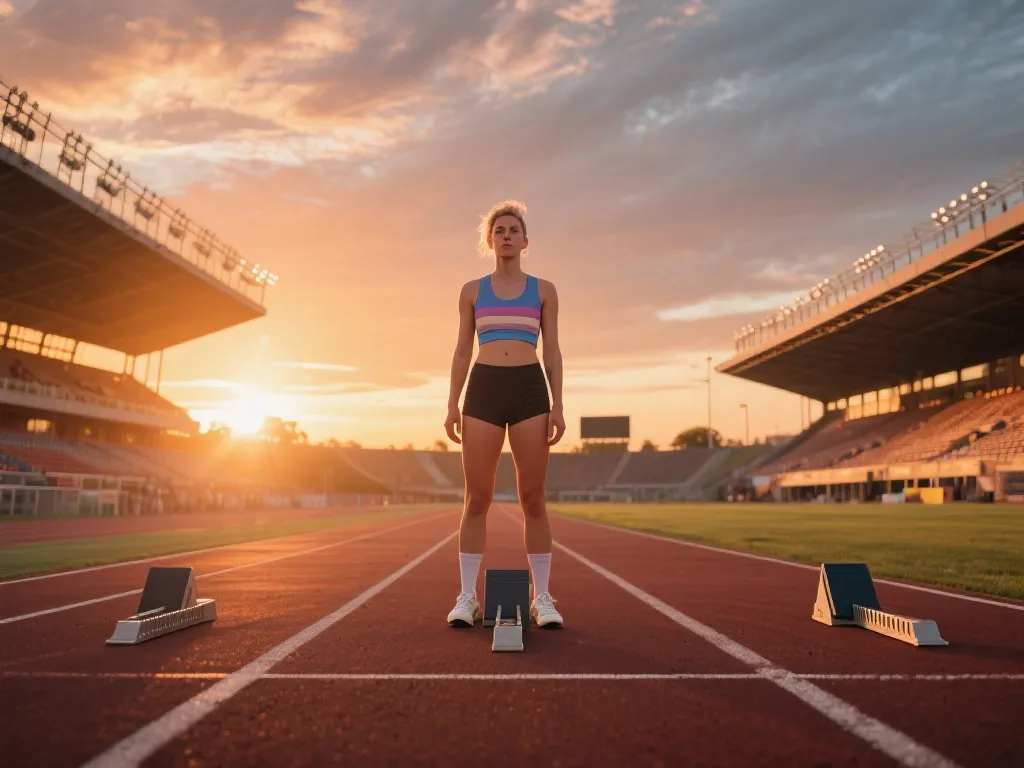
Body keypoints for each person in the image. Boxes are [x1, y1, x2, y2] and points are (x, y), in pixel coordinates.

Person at [443, 200, 566, 629]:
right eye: (499, 231)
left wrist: (558, 404)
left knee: (533, 498)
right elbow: (462, 350)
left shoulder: (544, 290)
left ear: (525, 241)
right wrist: (452, 402)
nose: (507, 236)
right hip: (484, 390)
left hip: (529, 389)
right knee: (477, 498)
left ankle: (542, 598)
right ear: (489, 240)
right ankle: (466, 597)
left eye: (514, 230)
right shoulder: (472, 291)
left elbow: (552, 351)